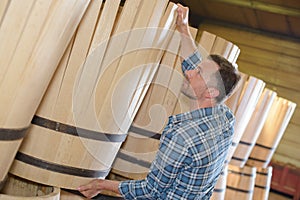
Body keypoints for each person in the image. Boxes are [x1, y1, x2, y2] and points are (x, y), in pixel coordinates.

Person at [78, 4, 241, 199]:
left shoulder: (182, 137)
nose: (188, 72)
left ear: (210, 92)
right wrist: (184, 29)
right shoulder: (225, 119)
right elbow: (193, 64)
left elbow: (151, 191)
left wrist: (100, 184)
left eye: (198, 73)